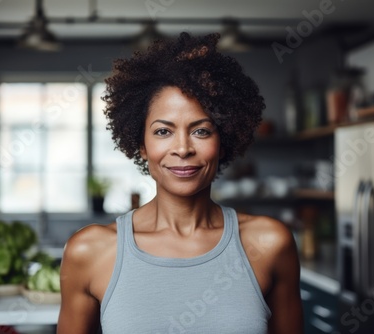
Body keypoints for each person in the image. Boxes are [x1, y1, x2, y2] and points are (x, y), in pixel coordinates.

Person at [57, 32, 303, 334]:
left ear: (223, 141)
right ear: (141, 145)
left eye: (201, 131)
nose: (183, 148)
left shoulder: (270, 244)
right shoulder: (88, 251)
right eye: (163, 132)